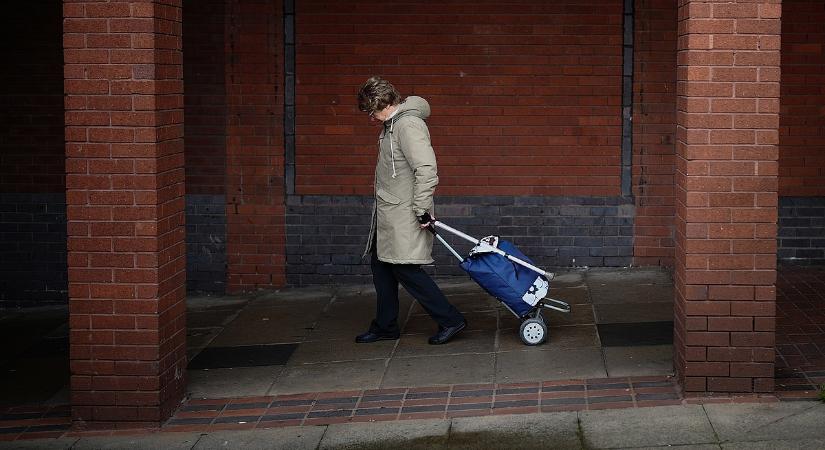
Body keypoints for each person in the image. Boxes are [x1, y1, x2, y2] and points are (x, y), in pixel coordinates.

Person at [355, 76, 466, 345]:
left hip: (405, 212)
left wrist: (421, 210)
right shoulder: (392, 124)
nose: (371, 118)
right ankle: (385, 325)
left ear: (384, 103)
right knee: (381, 266)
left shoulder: (407, 125)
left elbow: (426, 169)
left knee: (406, 269)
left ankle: (451, 320)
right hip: (390, 213)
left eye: (372, 111)